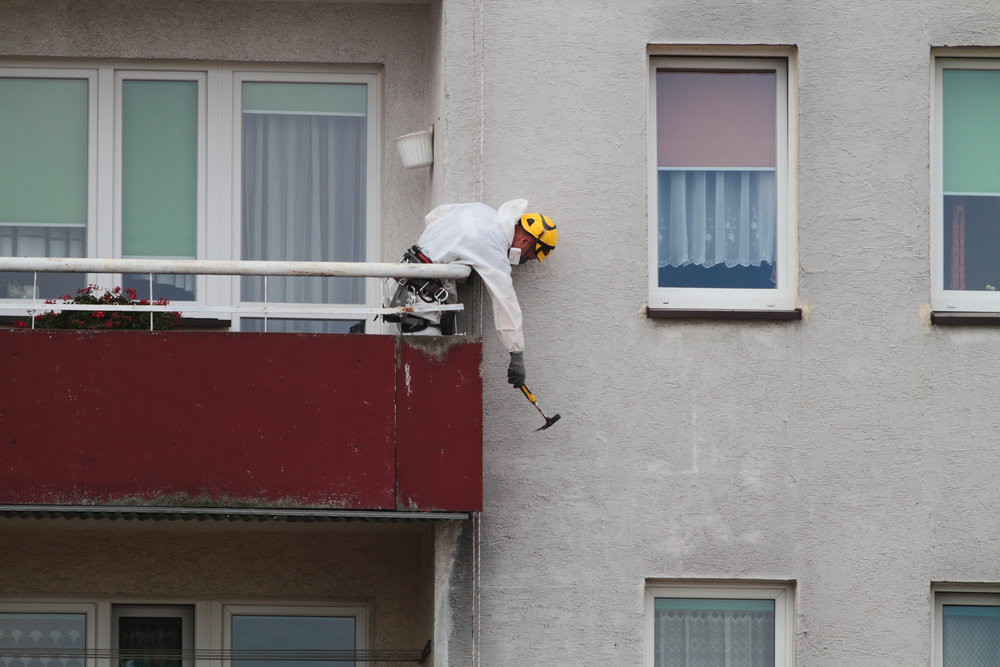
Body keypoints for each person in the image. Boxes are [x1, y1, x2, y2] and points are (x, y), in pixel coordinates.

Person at [387, 199, 556, 388]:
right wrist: (516, 353)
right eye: (527, 256)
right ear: (525, 241)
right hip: (417, 299)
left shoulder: (480, 211)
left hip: (401, 283)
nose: (522, 260)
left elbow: (435, 216)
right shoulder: (494, 246)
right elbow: (505, 302)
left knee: (398, 371)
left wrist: (453, 261)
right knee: (425, 375)